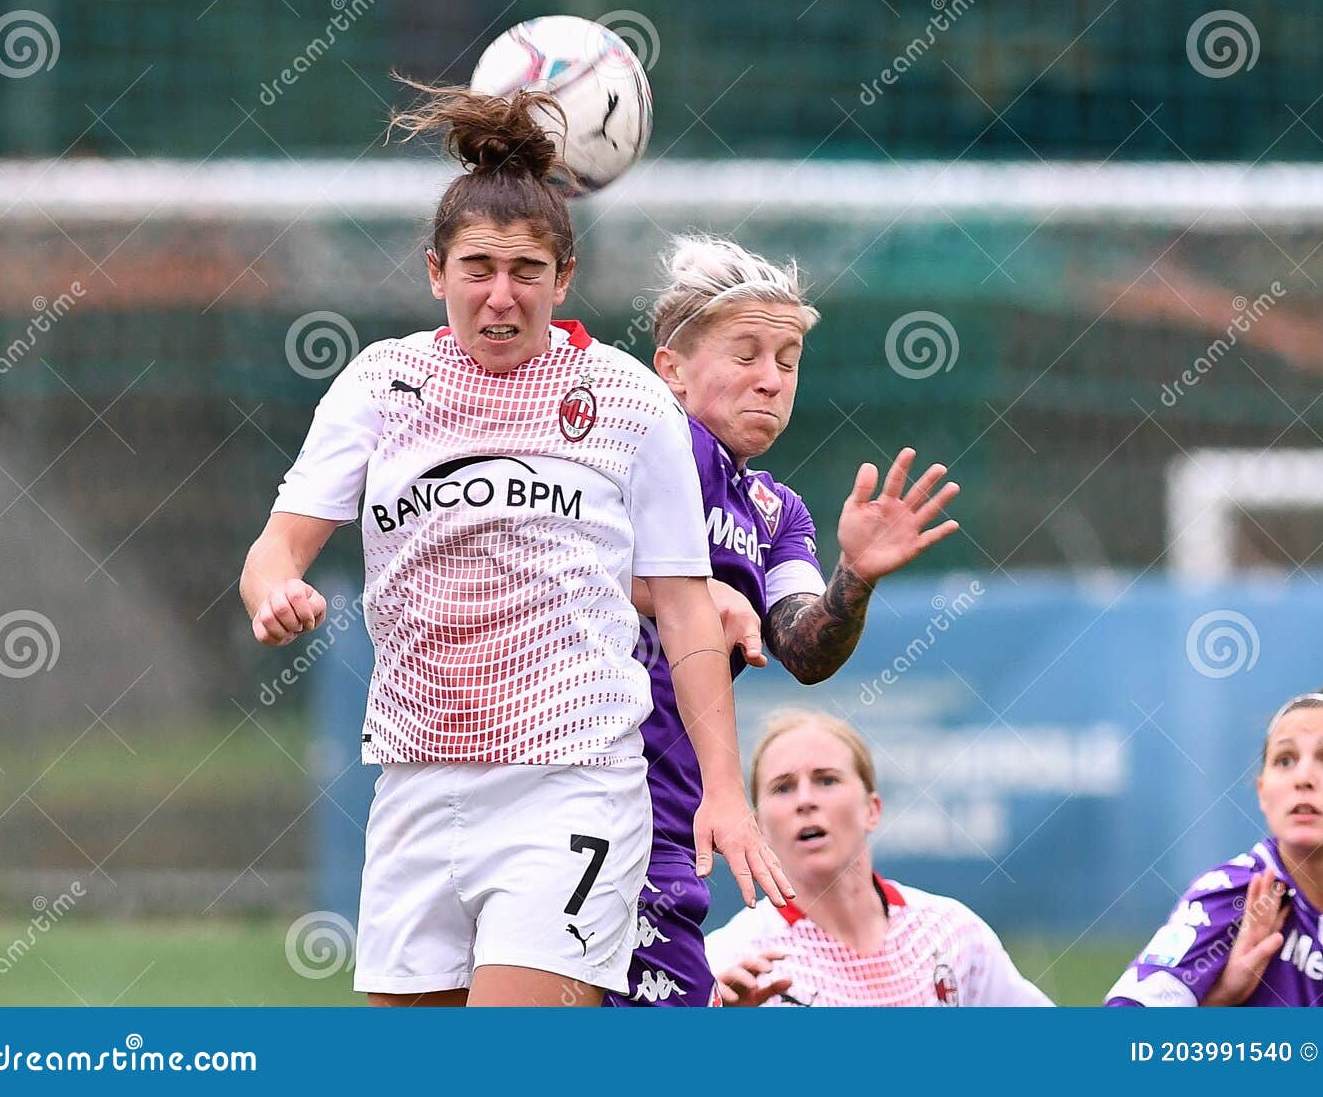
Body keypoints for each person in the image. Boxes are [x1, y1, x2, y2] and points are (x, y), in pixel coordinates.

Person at [240, 85, 789, 1008]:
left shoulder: (624, 401)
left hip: (570, 784)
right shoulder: (382, 385)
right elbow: (274, 548)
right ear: (434, 272)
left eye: (526, 270)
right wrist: (275, 590)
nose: (501, 295)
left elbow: (688, 606)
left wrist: (724, 792)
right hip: (416, 777)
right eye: (478, 267)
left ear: (564, 278)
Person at [607, 236, 962, 1007]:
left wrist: (854, 577)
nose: (771, 379)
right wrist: (692, 594)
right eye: (746, 353)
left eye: (789, 358)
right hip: (578, 793)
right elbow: (555, 559)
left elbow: (803, 645)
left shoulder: (776, 511)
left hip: (673, 819)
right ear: (671, 367)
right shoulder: (632, 447)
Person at [1106, 690, 1323, 1007]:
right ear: (1262, 791)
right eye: (1285, 760)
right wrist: (1219, 1000)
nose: (1303, 778)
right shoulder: (1230, 897)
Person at [705, 711, 1053, 1006]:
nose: (805, 800)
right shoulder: (729, 959)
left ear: (872, 810)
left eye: (827, 780)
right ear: (759, 827)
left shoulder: (953, 934)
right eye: (783, 787)